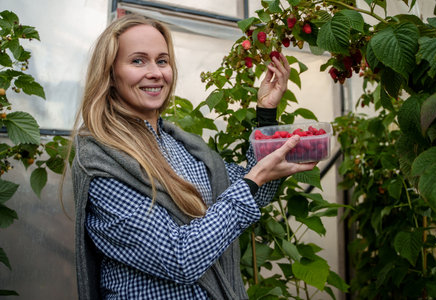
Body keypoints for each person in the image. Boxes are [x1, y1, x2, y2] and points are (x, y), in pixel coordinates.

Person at [71, 14, 317, 300]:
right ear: (111, 75)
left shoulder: (182, 146)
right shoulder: (103, 160)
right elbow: (180, 258)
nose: (155, 72)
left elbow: (252, 194)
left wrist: (265, 114)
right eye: (138, 61)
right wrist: (254, 180)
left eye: (162, 61)